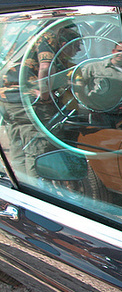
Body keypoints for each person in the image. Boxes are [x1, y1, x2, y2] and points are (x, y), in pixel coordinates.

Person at [0, 24, 81, 180]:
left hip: (7, 100)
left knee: (19, 148)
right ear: (64, 43)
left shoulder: (16, 37)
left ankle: (24, 187)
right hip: (29, 101)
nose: (78, 51)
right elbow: (45, 66)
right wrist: (45, 94)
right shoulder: (47, 36)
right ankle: (38, 191)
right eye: (77, 46)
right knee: (39, 152)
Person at [73, 41, 122, 125]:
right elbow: (77, 87)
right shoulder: (94, 67)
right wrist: (88, 104)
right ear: (113, 51)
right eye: (119, 51)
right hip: (98, 114)